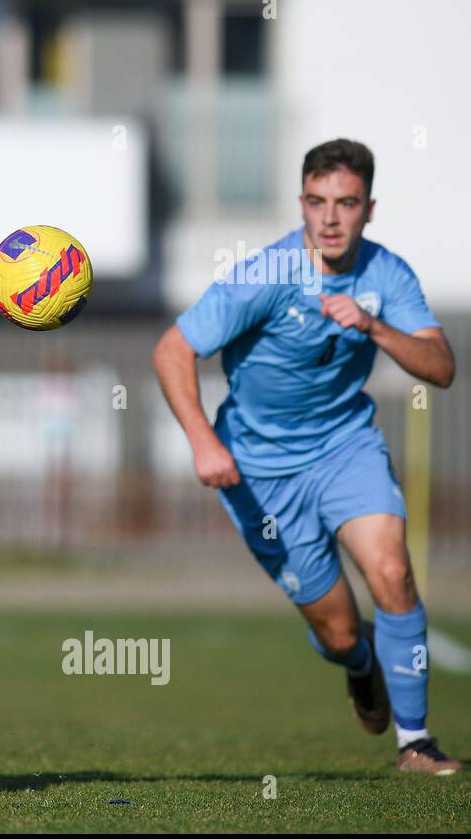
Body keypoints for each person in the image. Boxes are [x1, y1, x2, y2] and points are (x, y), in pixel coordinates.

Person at [154, 138, 460, 775]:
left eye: (345, 203)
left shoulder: (388, 275)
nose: (329, 218)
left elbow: (442, 367)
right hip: (261, 475)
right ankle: (361, 665)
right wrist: (203, 441)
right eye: (317, 202)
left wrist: (375, 326)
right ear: (301, 202)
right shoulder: (261, 276)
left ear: (367, 208)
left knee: (392, 571)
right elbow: (172, 351)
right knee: (341, 633)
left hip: (347, 448)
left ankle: (416, 744)